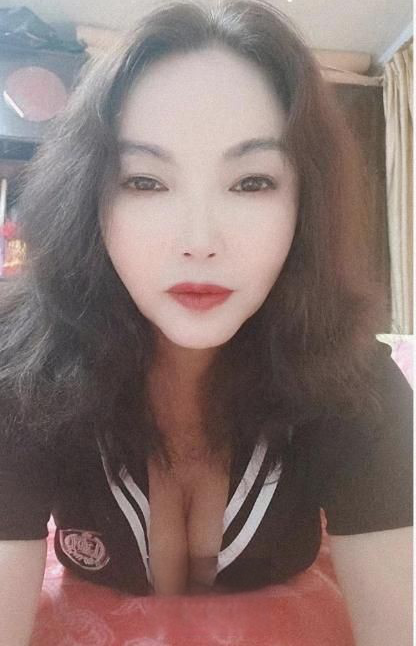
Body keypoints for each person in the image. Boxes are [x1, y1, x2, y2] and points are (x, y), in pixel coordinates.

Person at [0, 0, 412, 644]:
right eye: (145, 181)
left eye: (251, 182)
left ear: (306, 204)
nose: (198, 242)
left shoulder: (355, 381)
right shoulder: (20, 374)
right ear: (89, 199)